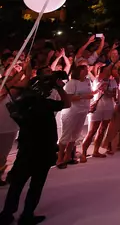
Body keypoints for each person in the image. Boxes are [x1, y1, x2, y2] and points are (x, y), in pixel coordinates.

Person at [0, 56, 71, 225]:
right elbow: (67, 103)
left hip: (26, 149)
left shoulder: (20, 104)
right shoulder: (45, 104)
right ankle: (26, 216)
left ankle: (6, 214)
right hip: (43, 150)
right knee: (36, 185)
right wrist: (60, 88)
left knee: (17, 184)